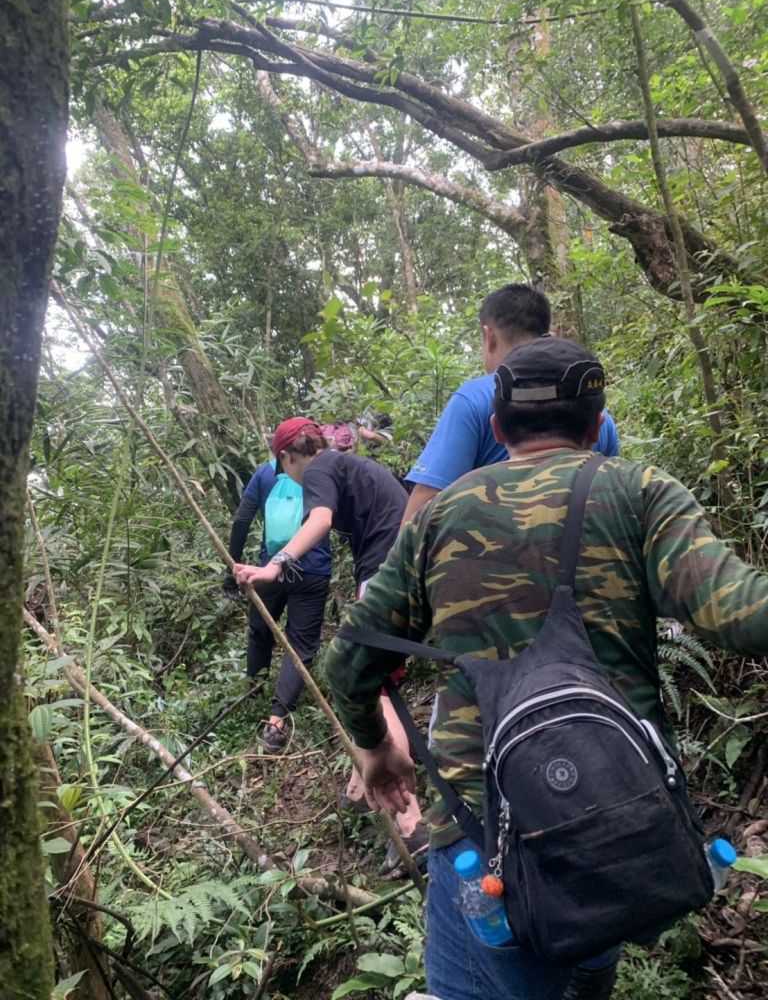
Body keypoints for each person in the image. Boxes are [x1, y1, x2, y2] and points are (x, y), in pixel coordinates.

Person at [323, 336, 768, 1000]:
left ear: (498, 428)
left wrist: (376, 745)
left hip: (482, 831)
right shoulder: (642, 493)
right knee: (586, 966)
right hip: (621, 821)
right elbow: (746, 615)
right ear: (597, 425)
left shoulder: (440, 516)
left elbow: (348, 660)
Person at [234, 417, 428, 871]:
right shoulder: (348, 463)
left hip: (387, 570)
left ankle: (412, 827)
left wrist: (274, 565)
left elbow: (320, 519)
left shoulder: (319, 469)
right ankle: (361, 790)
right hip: (409, 566)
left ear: (288, 456)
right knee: (379, 675)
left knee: (368, 682)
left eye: (285, 472)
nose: (290, 482)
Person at [401, 283, 619, 524]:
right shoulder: (597, 412)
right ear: (548, 333)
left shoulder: (475, 398)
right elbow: (608, 501)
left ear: (489, 336)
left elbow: (421, 513)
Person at [223, 452, 332, 753]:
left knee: (260, 631)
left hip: (267, 570)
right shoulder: (320, 472)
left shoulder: (264, 474)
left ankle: (253, 691)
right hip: (312, 570)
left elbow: (242, 520)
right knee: (300, 643)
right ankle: (277, 721)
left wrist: (230, 568)